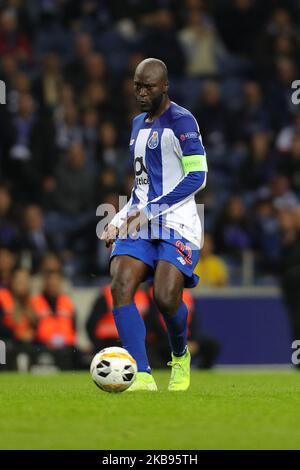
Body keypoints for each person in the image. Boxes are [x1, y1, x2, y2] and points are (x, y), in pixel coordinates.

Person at [101, 58, 208, 391]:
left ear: (164, 86)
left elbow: (198, 176)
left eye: (148, 86)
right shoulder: (137, 124)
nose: (141, 92)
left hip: (178, 223)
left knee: (164, 297)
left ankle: (180, 355)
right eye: (137, 85)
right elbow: (142, 186)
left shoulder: (182, 121)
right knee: (120, 283)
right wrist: (119, 219)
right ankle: (141, 374)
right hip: (142, 221)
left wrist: (151, 211)